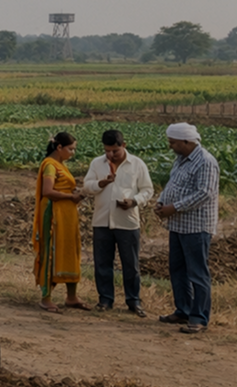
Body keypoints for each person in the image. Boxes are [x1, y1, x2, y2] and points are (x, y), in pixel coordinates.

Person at [155, 122, 220, 334]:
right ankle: (183, 310)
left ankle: (199, 317)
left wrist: (174, 207)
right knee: (178, 270)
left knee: (197, 273)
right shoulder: (180, 160)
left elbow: (205, 193)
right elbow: (172, 184)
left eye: (173, 142)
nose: (170, 146)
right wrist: (162, 201)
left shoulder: (205, 161)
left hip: (196, 227)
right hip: (178, 225)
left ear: (186, 141)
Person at [82, 130, 154, 317]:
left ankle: (133, 300)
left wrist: (134, 201)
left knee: (130, 264)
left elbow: (147, 190)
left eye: (115, 151)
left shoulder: (137, 164)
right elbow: (87, 186)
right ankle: (105, 299)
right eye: (107, 151)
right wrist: (101, 183)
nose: (110, 155)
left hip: (127, 221)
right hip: (102, 220)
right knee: (102, 262)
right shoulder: (97, 163)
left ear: (124, 146)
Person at [33, 132, 89, 313]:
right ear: (59, 147)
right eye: (70, 149)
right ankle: (46, 298)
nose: (73, 153)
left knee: (70, 249)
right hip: (54, 214)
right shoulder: (50, 165)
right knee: (52, 251)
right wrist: (70, 197)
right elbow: (48, 191)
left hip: (66, 215)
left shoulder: (61, 165)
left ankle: (72, 297)